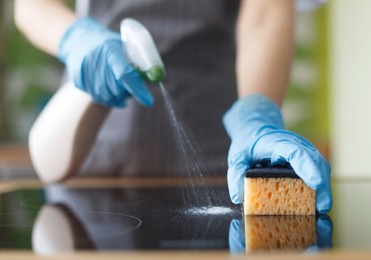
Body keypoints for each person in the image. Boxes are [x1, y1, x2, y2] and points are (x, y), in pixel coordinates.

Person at [14, 0, 332, 214]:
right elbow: (30, 6)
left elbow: (266, 14)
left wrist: (257, 112)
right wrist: (74, 37)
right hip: (90, 156)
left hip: (217, 164)